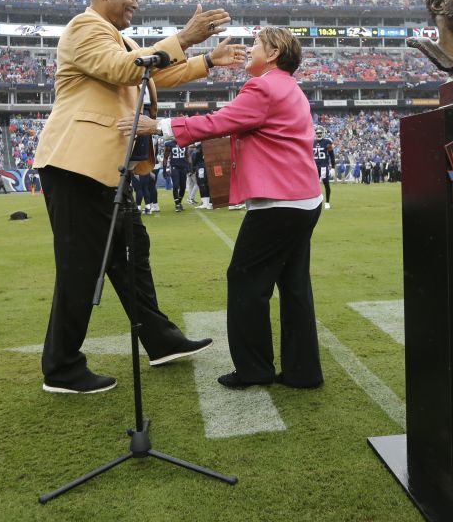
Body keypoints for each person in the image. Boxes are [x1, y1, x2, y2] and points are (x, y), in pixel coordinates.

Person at [31, 0, 246, 394]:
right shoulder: (84, 28)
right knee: (80, 266)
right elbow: (123, 70)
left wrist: (206, 60)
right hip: (76, 165)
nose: (135, 3)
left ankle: (160, 339)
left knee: (131, 252)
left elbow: (153, 74)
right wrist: (183, 39)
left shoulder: (120, 38)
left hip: (107, 167)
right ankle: (61, 366)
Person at [124, 27, 324, 390]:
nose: (249, 50)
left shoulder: (263, 86)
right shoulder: (289, 87)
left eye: (256, 45)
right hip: (303, 199)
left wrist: (160, 126)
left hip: (278, 203)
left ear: (275, 52)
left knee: (246, 282)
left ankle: (254, 370)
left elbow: (220, 122)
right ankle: (303, 371)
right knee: (294, 285)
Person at [163, 137, 189, 212]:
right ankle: (177, 204)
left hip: (183, 167)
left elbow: (187, 156)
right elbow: (165, 157)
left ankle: (179, 202)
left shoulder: (185, 142)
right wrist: (164, 170)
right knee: (175, 185)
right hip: (174, 167)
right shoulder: (169, 144)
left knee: (183, 187)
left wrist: (190, 167)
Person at [313, 126, 334, 210]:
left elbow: (332, 155)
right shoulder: (312, 142)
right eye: (317, 133)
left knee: (326, 184)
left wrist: (333, 167)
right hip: (314, 167)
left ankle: (327, 202)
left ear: (323, 133)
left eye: (320, 133)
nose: (319, 134)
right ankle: (315, 202)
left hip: (323, 167)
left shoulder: (327, 142)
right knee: (313, 186)